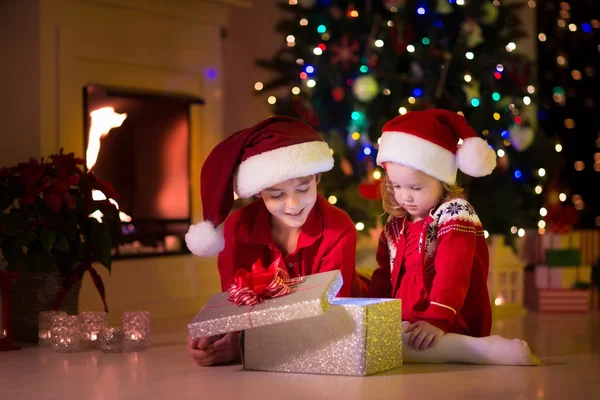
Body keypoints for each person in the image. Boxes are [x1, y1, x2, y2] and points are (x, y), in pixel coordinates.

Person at [185, 116, 362, 366]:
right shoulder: (238, 228)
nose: (293, 205)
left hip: (336, 327)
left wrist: (246, 346)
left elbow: (329, 317)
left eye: (303, 189)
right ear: (259, 193)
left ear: (317, 179)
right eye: (277, 195)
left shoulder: (338, 228)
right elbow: (235, 301)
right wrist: (218, 338)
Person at [369, 109, 539, 365]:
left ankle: (482, 350)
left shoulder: (455, 214)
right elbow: (384, 274)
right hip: (406, 321)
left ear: (443, 180)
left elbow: (454, 271)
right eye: (396, 186)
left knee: (396, 348)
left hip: (447, 320)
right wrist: (373, 312)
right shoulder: (396, 223)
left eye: (416, 187)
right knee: (377, 342)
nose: (406, 196)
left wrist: (438, 317)